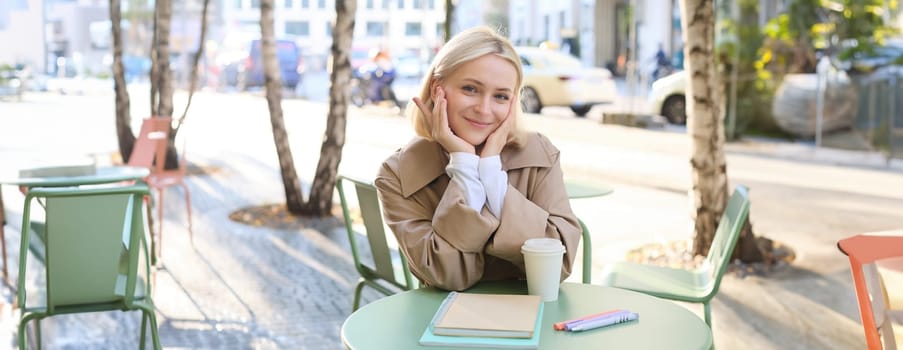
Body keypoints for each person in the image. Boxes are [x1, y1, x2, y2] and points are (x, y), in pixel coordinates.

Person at [374, 26, 582, 291]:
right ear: (438, 90)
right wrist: (464, 164)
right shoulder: (398, 174)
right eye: (470, 89)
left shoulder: (540, 154)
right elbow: (444, 273)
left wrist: (490, 172)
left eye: (500, 96)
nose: (484, 109)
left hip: (531, 313)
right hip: (439, 321)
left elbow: (558, 265)